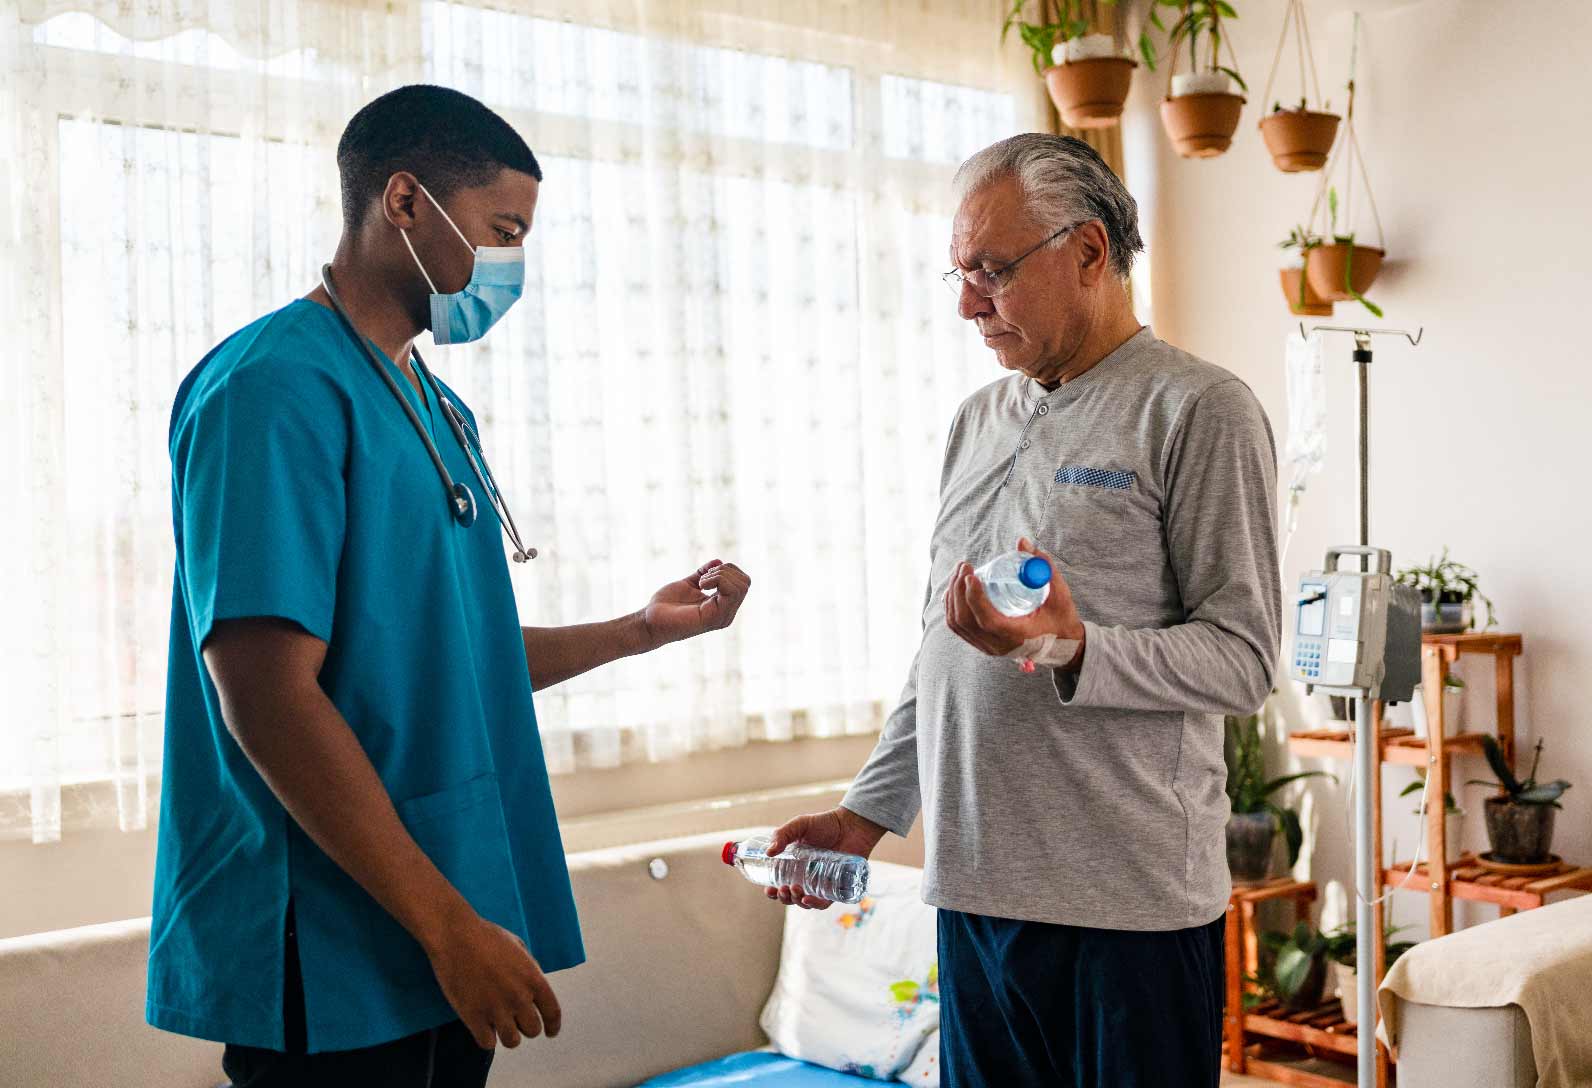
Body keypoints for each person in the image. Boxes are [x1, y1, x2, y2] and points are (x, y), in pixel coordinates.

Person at [149, 84, 751, 1088]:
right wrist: (446, 924)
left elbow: (450, 660)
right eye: (501, 229)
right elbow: (263, 693)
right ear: (403, 202)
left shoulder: (433, 404)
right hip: (342, 930)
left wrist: (638, 629)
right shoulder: (271, 390)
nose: (511, 262)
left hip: (447, 912)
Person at [766, 133, 1280, 1087]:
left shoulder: (1199, 409)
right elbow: (941, 645)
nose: (967, 304)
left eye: (992, 272)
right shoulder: (976, 419)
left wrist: (1077, 647)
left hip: (1128, 912)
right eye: (959, 275)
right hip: (973, 894)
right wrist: (869, 813)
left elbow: (1244, 659)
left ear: (1088, 252)